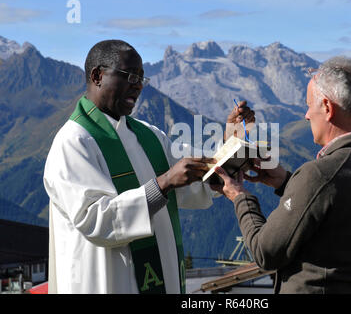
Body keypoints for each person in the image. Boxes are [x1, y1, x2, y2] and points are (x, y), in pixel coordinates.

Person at [43, 39, 254, 294]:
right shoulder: (74, 142)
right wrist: (163, 184)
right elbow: (95, 220)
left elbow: (190, 181)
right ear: (97, 76)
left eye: (142, 78)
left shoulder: (149, 136)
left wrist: (229, 146)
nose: (139, 86)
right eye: (131, 76)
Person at [213, 56, 351, 294]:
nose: (306, 115)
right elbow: (336, 208)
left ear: (326, 107)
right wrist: (286, 181)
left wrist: (240, 196)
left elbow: (265, 253)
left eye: (308, 105)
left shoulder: (320, 174)